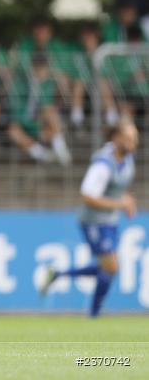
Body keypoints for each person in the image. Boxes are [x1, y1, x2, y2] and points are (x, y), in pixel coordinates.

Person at [39, 120, 139, 317]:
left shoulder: (127, 159)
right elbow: (87, 196)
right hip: (93, 221)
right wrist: (120, 204)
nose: (133, 143)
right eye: (128, 138)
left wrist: (127, 201)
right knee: (111, 266)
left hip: (110, 220)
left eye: (135, 139)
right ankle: (94, 313)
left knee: (108, 267)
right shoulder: (102, 165)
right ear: (116, 138)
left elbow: (118, 189)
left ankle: (58, 274)